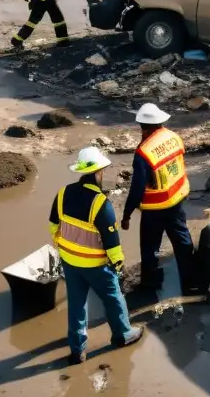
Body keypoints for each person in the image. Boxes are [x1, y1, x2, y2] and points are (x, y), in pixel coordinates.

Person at [50, 147, 144, 365]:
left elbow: (53, 225)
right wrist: (118, 264)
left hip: (70, 263)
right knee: (113, 298)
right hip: (96, 265)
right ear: (98, 172)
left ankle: (77, 350)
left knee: (76, 304)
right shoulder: (101, 203)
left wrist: (65, 248)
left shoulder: (62, 194)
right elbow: (112, 242)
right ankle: (122, 335)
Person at [121, 104, 197, 293]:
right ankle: (191, 283)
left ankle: (151, 284)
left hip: (154, 208)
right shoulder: (173, 137)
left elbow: (137, 188)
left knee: (149, 247)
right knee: (183, 242)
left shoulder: (143, 152)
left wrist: (127, 214)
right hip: (176, 200)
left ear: (143, 126)